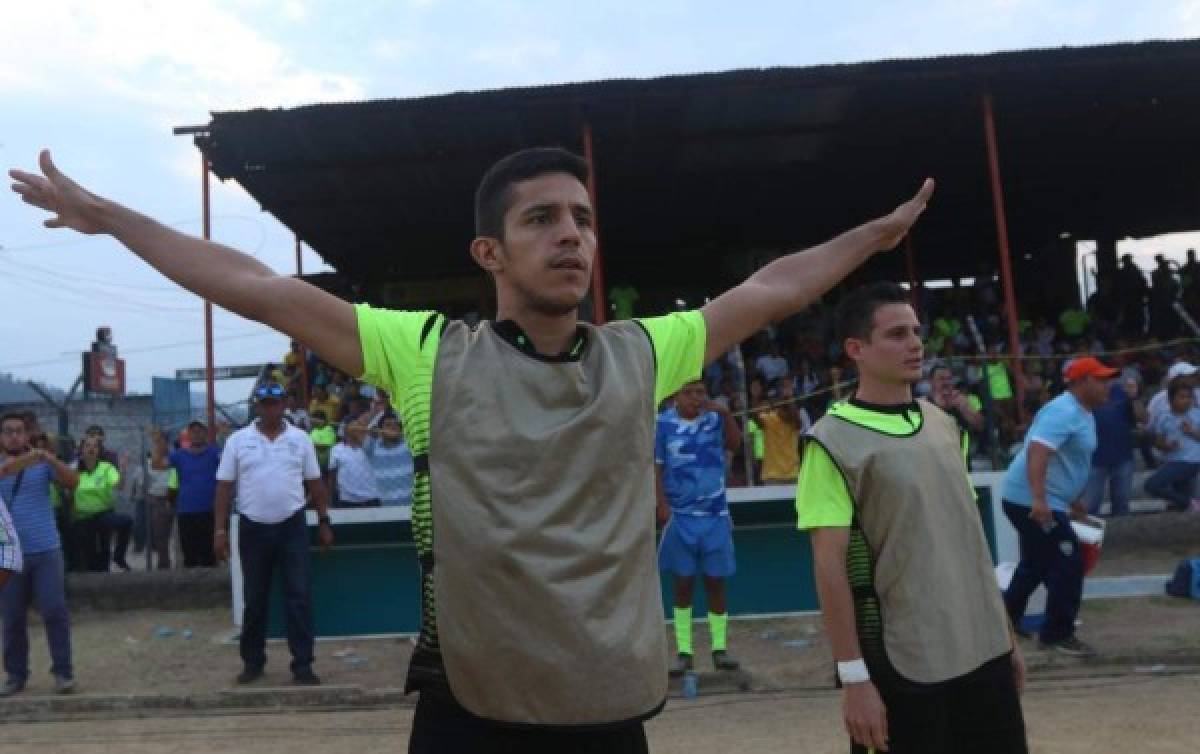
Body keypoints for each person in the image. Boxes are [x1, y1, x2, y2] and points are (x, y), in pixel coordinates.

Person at [10, 145, 931, 751]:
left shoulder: (644, 353)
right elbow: (255, 285)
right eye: (542, 219)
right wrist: (116, 219)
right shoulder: (426, 354)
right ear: (489, 253)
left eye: (582, 219)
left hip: (608, 709)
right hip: (469, 712)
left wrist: (872, 239)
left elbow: (770, 290)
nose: (570, 235)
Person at [797, 282, 1026, 754]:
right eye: (897, 334)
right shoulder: (831, 442)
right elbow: (828, 565)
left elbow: (968, 541)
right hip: (904, 659)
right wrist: (854, 677)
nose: (915, 344)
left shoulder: (943, 424)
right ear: (856, 349)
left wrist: (1006, 637)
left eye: (917, 332)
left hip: (984, 650)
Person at [214, 383, 332, 686]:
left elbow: (315, 483)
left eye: (275, 403)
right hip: (252, 527)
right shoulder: (238, 441)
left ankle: (303, 665)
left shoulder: (300, 439)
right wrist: (220, 529)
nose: (270, 409)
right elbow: (224, 487)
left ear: (284, 405)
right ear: (257, 407)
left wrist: (324, 521)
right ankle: (253, 663)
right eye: (265, 403)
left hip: (292, 526)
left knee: (299, 597)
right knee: (254, 599)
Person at [1002, 356, 1115, 658]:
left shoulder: (1079, 411)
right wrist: (1040, 500)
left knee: (1036, 563)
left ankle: (1004, 623)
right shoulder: (1065, 412)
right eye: (1101, 380)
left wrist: (1070, 498)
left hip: (1036, 498)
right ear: (1082, 382)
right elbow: (1038, 452)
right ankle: (1057, 634)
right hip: (1033, 501)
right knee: (1068, 562)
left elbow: (1066, 459)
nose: (1108, 386)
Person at [655, 379, 742, 677]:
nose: (696, 398)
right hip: (680, 515)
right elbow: (656, 467)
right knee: (683, 583)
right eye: (689, 393)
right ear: (676, 397)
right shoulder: (662, 424)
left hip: (715, 514)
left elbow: (735, 445)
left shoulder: (715, 420)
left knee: (716, 582)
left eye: (700, 392)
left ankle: (720, 650)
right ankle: (684, 652)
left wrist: (726, 414)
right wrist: (661, 504)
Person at [0, 412, 80, 695]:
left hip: (46, 550)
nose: (14, 436)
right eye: (8, 431)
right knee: (12, 618)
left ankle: (63, 673)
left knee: (54, 611)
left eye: (19, 431)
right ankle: (15, 676)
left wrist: (49, 458)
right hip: (9, 555)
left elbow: (73, 482)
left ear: (27, 434)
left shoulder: (42, 463)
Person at [1084, 376, 1145, 517]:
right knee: (1090, 506)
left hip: (1122, 457)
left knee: (1122, 504)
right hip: (1094, 459)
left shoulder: (1122, 392)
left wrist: (1134, 398)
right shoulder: (1085, 395)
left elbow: (1143, 418)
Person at [71, 436, 132, 572]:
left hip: (103, 515)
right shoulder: (74, 469)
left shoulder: (106, 468)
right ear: (81, 450)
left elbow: (119, 485)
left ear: (99, 450)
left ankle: (118, 557)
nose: (91, 449)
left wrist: (123, 469)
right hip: (82, 517)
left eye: (95, 446)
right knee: (89, 556)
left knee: (126, 522)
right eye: (88, 445)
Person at [165, 421, 220, 568]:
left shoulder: (215, 453)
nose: (196, 434)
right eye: (193, 432)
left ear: (205, 434)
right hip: (186, 510)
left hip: (209, 510)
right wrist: (159, 441)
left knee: (208, 553)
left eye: (200, 431)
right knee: (189, 554)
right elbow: (157, 464)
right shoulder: (179, 455)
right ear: (188, 435)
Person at [1144, 378, 1200, 512]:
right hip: (1171, 460)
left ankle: (1189, 502)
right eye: (1182, 397)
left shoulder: (1197, 414)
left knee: (1152, 485)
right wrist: (1166, 445)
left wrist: (1192, 431)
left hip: (1191, 461)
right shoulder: (1163, 416)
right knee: (1182, 506)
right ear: (1170, 399)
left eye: (1189, 397)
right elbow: (1158, 441)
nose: (1186, 401)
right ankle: (1187, 504)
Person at [753, 376, 808, 484]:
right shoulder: (770, 418)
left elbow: (797, 421)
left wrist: (789, 398)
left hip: (792, 474)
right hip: (772, 475)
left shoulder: (794, 420)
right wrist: (755, 397)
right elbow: (756, 418)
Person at [362, 411, 414, 507]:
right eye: (388, 425)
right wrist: (383, 413)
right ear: (380, 430)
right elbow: (371, 429)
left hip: (411, 506)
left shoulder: (410, 445)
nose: (393, 427)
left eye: (396, 425)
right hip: (385, 507)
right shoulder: (372, 448)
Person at [143, 429, 175, 569]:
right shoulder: (148, 462)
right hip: (157, 500)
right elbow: (144, 482)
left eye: (161, 441)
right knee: (160, 535)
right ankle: (164, 564)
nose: (158, 445)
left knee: (176, 534)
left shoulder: (174, 459)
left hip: (174, 498)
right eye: (156, 442)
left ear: (167, 443)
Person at [328, 423, 381, 507]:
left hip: (371, 497)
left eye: (359, 426)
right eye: (354, 425)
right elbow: (332, 476)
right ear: (345, 430)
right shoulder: (336, 449)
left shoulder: (370, 445)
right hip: (347, 499)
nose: (357, 428)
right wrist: (330, 500)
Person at [308, 410, 337, 479]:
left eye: (316, 420)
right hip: (314, 463)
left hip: (325, 463)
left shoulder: (328, 429)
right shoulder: (313, 430)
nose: (313, 422)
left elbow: (325, 446)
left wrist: (311, 445)